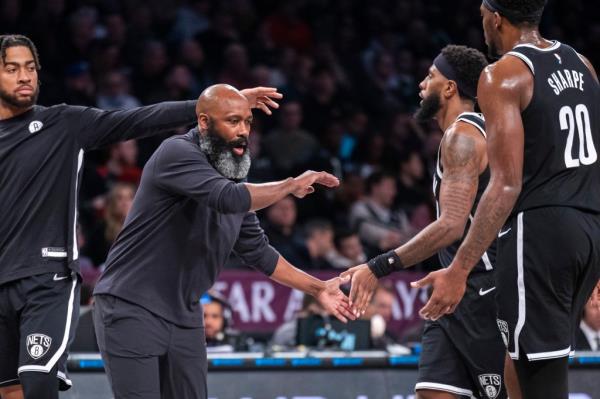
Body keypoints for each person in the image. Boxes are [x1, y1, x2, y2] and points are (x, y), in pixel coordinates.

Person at [0, 33, 282, 399]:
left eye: (30, 68)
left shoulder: (63, 124)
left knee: (38, 380)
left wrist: (212, 105)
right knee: (10, 390)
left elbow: (138, 120)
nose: (24, 76)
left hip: (46, 277)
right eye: (11, 69)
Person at [92, 84, 356, 399]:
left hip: (185, 312)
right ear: (204, 123)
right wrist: (290, 185)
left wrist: (317, 287)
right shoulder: (176, 152)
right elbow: (227, 199)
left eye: (247, 122)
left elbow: (258, 252)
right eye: (233, 121)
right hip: (132, 305)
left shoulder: (232, 178)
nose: (243, 130)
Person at [406, 2, 600, 398]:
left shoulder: (502, 75)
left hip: (541, 231)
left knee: (537, 382)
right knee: (529, 362)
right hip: (590, 228)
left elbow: (505, 186)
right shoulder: (583, 65)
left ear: (495, 17)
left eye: (481, 15)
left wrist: (459, 269)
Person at [343, 45, 507, 398]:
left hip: (485, 291)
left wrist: (379, 266)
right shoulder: (467, 134)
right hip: (450, 297)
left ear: (449, 88)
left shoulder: (462, 137)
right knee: (432, 392)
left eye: (430, 76)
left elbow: (451, 225)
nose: (421, 84)